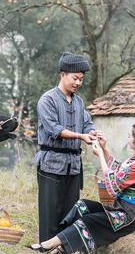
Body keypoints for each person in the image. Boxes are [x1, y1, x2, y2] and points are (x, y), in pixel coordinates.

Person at [29, 121, 135, 254]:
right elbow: (117, 169)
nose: (128, 138)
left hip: (132, 216)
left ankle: (47, 246)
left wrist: (101, 158)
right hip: (121, 209)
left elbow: (113, 186)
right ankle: (60, 246)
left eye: (130, 136)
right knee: (82, 206)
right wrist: (104, 149)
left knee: (88, 221)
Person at [34, 52, 99, 243]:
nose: (78, 83)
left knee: (71, 209)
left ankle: (66, 246)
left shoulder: (78, 102)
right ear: (63, 74)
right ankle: (46, 246)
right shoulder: (48, 100)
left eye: (81, 79)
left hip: (73, 165)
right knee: (50, 209)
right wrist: (80, 136)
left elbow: (87, 124)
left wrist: (94, 133)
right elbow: (54, 129)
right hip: (51, 163)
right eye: (75, 78)